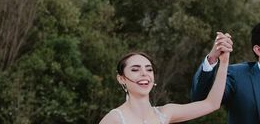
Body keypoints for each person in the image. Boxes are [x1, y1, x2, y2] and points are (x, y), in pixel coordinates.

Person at [99, 42, 231, 124]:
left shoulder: (166, 113)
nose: (144, 73)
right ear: (121, 78)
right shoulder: (114, 119)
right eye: (135, 69)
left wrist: (223, 62)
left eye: (149, 69)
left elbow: (212, 104)